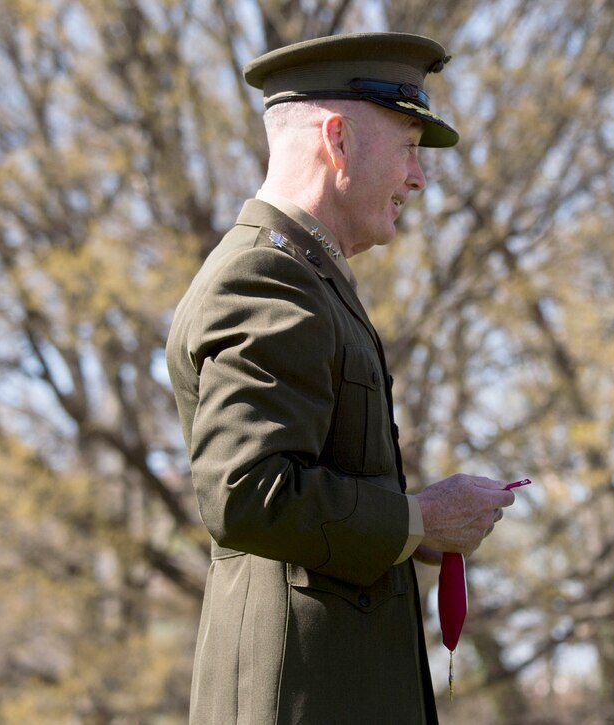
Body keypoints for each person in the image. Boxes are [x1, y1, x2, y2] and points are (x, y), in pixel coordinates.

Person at [165, 32, 517, 723]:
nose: (419, 178)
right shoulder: (264, 278)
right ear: (339, 140)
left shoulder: (304, 274)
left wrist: (413, 527)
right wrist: (418, 520)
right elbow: (247, 492)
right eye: (410, 147)